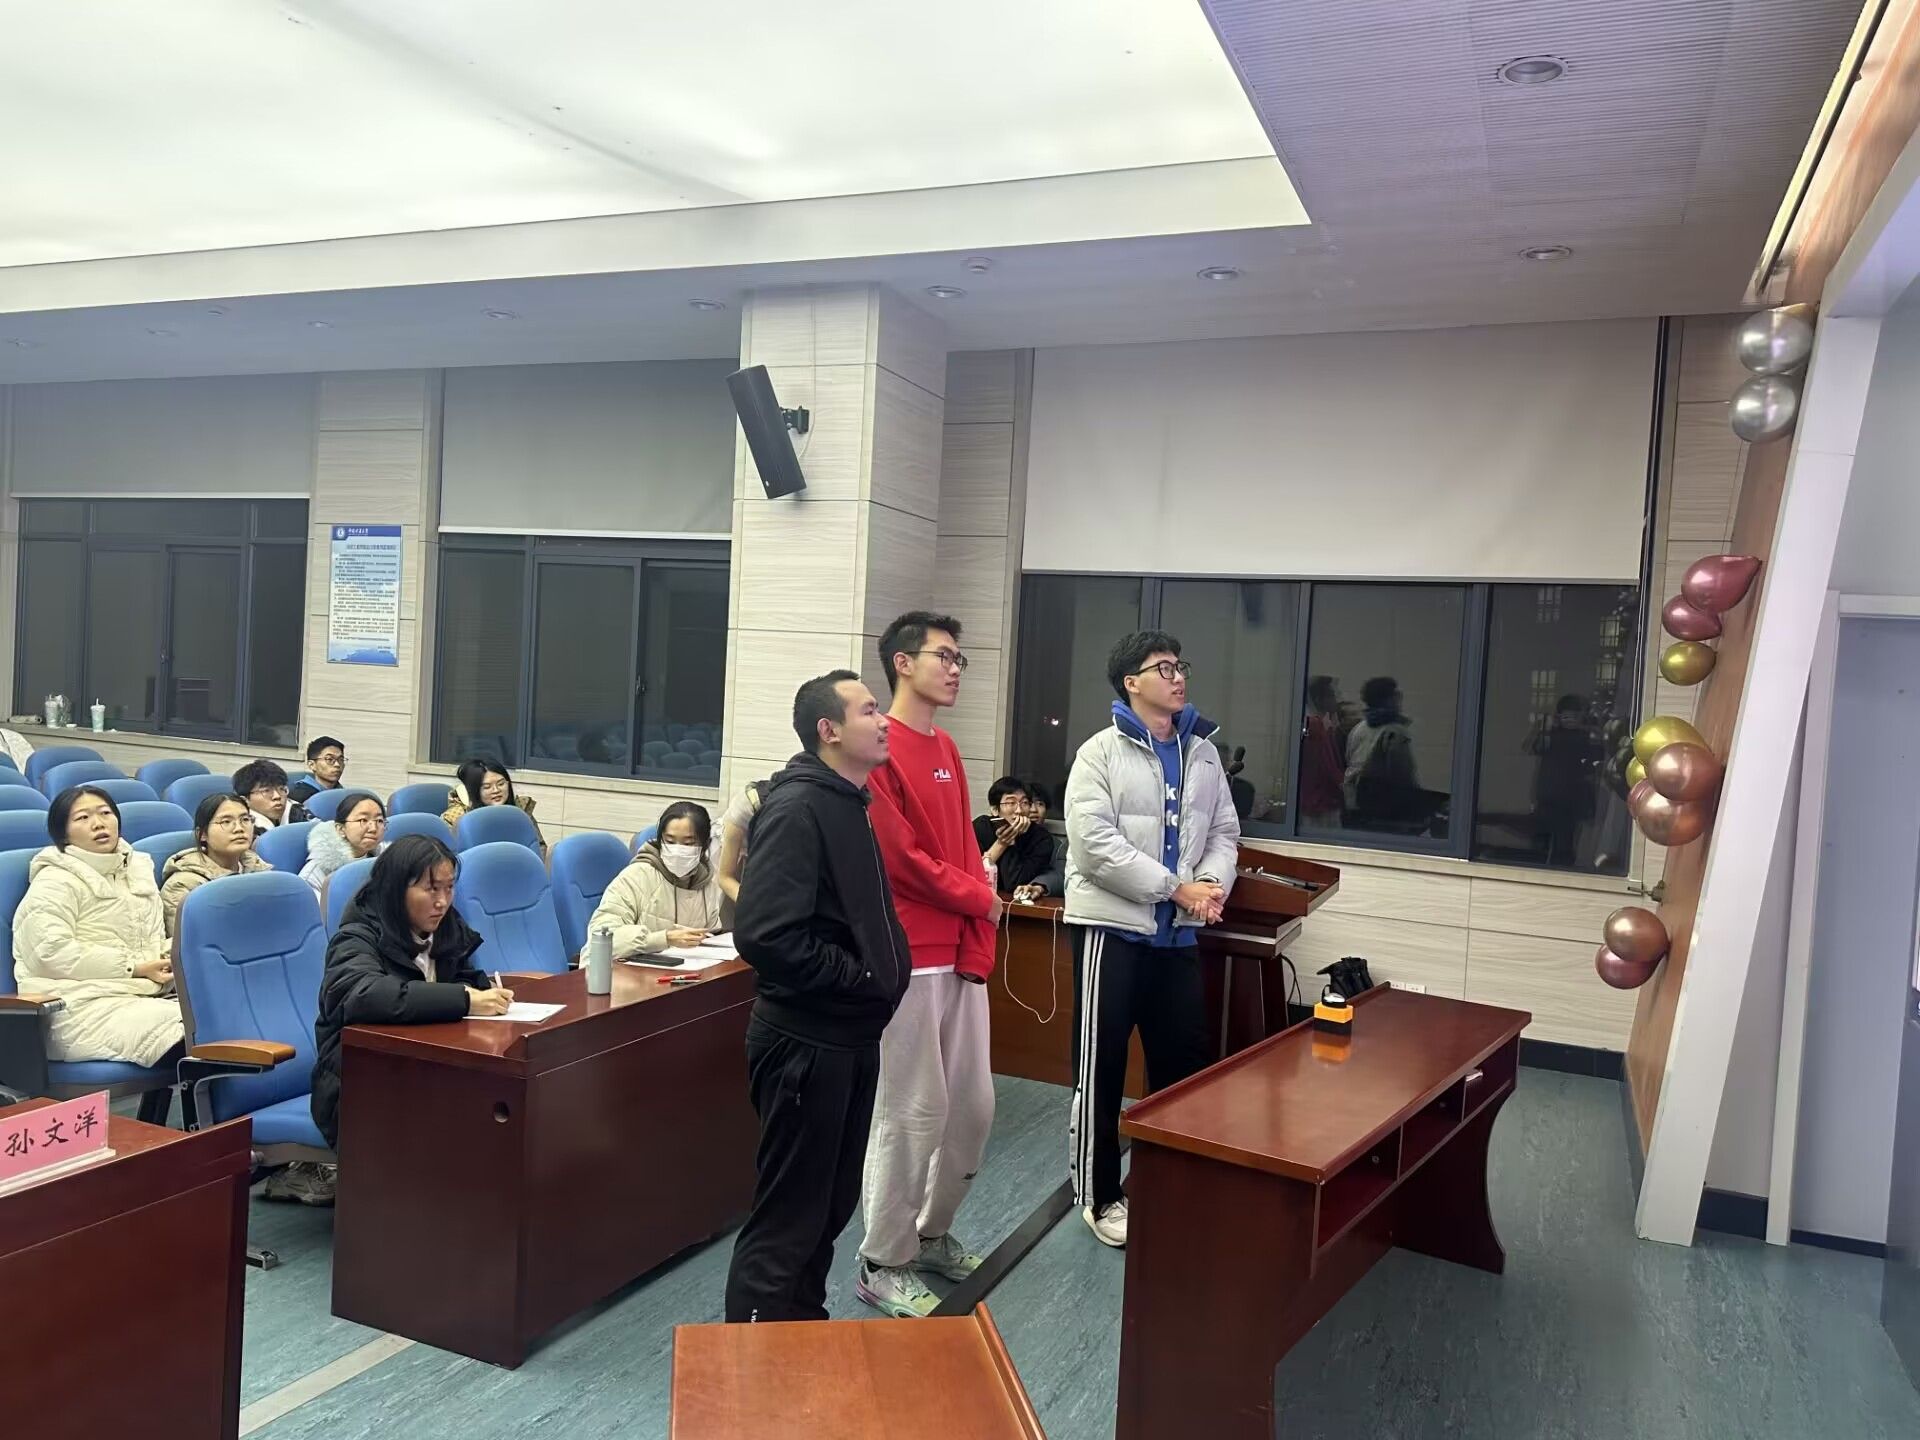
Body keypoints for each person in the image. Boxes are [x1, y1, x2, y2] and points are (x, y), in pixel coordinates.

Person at [723, 671, 911, 1324]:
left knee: (828, 1209)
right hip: (807, 1043)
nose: (883, 721)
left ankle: (799, 1338)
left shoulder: (848, 801)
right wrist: (859, 979)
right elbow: (766, 933)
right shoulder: (798, 808)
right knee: (789, 1218)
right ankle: (752, 1365)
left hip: (850, 1038)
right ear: (829, 730)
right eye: (868, 711)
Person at [1063, 630, 1240, 1248]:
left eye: (1179, 665)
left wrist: (1211, 884)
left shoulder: (1204, 754)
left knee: (1183, 1068)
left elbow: (1223, 831)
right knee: (1101, 1070)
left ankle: (1169, 1186)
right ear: (1130, 683)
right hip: (1112, 933)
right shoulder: (1099, 753)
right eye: (1162, 668)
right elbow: (1094, 845)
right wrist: (1176, 888)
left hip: (1177, 939)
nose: (1178, 676)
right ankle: (1098, 1195)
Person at [856, 612, 1001, 1318]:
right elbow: (902, 861)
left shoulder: (946, 745)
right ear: (902, 663)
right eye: (943, 656)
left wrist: (979, 935)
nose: (954, 668)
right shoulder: (878, 751)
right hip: (908, 958)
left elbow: (966, 851)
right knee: (913, 1113)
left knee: (973, 1109)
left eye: (958, 659)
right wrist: (980, 899)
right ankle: (883, 1260)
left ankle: (932, 1234)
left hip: (958, 955)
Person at [311, 835, 513, 1152]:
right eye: (431, 889)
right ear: (396, 889)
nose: (442, 901)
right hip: (359, 1085)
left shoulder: (445, 925)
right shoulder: (357, 936)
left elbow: (461, 975)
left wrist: (484, 993)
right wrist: (464, 999)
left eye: (449, 888)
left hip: (427, 1069)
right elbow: (364, 993)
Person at [12, 786, 181, 1121]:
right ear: (63, 833)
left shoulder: (137, 869)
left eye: (105, 813)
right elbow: (49, 951)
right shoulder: (55, 881)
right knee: (196, 1030)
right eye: (83, 817)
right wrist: (134, 967)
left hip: (141, 995)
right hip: (75, 1006)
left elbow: (149, 937)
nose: (99, 823)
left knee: (225, 1014)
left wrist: (169, 954)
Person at [587, 801, 726, 958]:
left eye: (688, 843)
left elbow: (712, 935)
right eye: (670, 842)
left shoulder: (706, 884)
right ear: (660, 841)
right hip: (625, 969)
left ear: (705, 845)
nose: (677, 850)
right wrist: (663, 938)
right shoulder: (637, 877)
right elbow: (601, 938)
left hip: (686, 970)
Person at [159, 791, 271, 935]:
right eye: (226, 822)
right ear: (202, 834)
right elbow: (188, 943)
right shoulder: (182, 886)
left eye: (245, 819)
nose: (239, 828)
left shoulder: (259, 869)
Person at [1529, 694, 1600, 867]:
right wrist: (1541, 727)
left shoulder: (1586, 737)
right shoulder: (1551, 735)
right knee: (1542, 845)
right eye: (1566, 716)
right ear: (1559, 716)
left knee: (1563, 847)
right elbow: (1529, 747)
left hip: (1569, 800)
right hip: (1548, 797)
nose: (1570, 720)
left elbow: (1599, 755)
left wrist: (1587, 726)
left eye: (1574, 716)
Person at [1343, 676, 1421, 826]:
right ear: (1388, 699)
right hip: (1386, 810)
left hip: (1356, 805)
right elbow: (1403, 775)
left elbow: (1349, 760)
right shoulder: (1395, 732)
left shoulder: (1358, 729)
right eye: (1396, 695)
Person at [442, 759, 546, 857]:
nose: (496, 790)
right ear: (474, 791)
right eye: (487, 787)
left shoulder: (522, 810)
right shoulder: (455, 818)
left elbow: (539, 846)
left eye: (501, 784)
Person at [298, 791, 388, 900]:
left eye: (379, 821)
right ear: (340, 829)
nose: (373, 828)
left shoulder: (386, 860)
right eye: (363, 820)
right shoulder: (316, 872)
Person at [973, 777, 1053, 894]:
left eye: (1024, 803)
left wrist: (1012, 838)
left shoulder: (1041, 838)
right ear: (995, 809)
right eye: (1011, 803)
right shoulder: (982, 826)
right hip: (979, 896)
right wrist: (1002, 843)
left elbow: (1013, 884)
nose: (1019, 810)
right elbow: (973, 875)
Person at [1299, 675, 1347, 827]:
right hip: (1321, 803)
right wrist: (1346, 786)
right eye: (1332, 695)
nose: (1336, 700)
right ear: (1319, 700)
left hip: (1315, 800)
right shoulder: (1315, 725)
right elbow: (1328, 766)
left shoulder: (1320, 724)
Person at [1015, 783, 1067, 903]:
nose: (1034, 810)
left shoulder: (1057, 846)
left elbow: (1061, 875)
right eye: (1028, 803)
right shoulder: (1007, 839)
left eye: (1040, 804)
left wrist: (1039, 886)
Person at [233, 759, 308, 833]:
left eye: (281, 789)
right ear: (245, 800)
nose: (277, 796)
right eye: (266, 791)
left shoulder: (298, 812)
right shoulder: (240, 830)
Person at [289, 736, 347, 806]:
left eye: (341, 760)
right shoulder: (298, 796)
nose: (337, 764)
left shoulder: (343, 793)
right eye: (329, 759)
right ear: (312, 765)